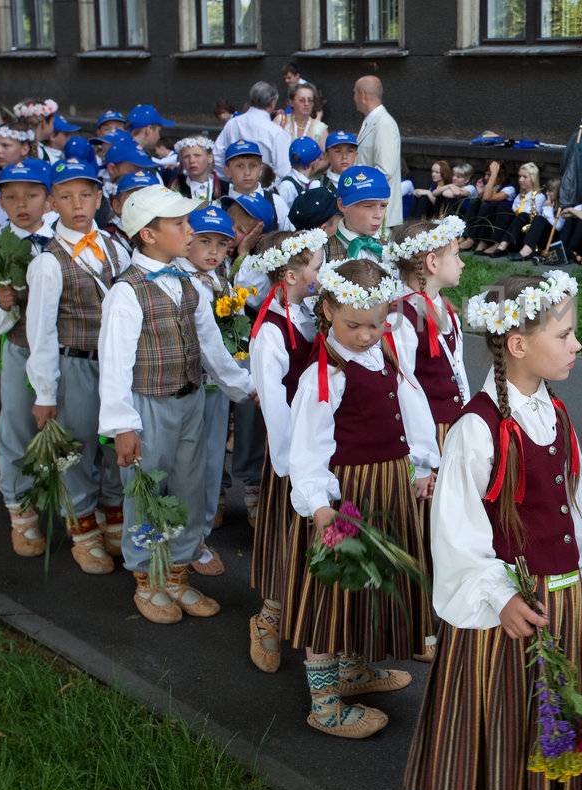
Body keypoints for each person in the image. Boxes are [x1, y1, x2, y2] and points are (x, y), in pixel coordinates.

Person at [404, 272, 582, 790]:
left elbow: (577, 500)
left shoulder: (555, 411)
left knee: (549, 719)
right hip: (507, 612)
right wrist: (499, 596)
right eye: (566, 335)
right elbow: (456, 532)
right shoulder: (478, 428)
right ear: (518, 344)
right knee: (498, 722)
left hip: (561, 599)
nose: (577, 347)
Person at [284, 259, 441, 738]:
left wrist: (420, 464)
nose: (367, 334)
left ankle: (351, 670)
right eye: (354, 325)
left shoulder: (385, 354)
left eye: (376, 323)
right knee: (331, 595)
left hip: (388, 487)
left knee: (364, 589)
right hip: (346, 498)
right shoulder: (323, 377)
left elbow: (411, 409)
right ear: (327, 310)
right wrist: (320, 505)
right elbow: (306, 452)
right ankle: (325, 703)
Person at [99, 186, 254, 624]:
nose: (190, 231)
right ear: (148, 235)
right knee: (148, 491)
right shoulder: (127, 292)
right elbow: (115, 363)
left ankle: (178, 573)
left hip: (189, 403)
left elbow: (211, 348)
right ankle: (148, 577)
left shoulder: (188, 284)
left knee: (189, 485)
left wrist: (244, 387)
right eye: (180, 225)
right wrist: (122, 425)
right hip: (147, 406)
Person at [26, 158, 131, 573]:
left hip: (114, 364)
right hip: (78, 363)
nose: (77, 205)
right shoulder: (49, 262)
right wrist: (46, 392)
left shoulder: (114, 247)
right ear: (52, 202)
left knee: (113, 441)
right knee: (79, 445)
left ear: (99, 198)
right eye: (66, 197)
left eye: (86, 195)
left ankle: (112, 514)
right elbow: (42, 332)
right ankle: (82, 528)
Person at [385, 215, 471, 663]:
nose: (463, 262)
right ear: (431, 260)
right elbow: (406, 385)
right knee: (420, 529)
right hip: (427, 431)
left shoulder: (441, 307)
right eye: (456, 254)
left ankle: (440, 609)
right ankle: (417, 625)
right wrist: (423, 455)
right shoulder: (403, 315)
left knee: (445, 524)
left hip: (451, 426)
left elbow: (456, 371)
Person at [241, 228, 326, 670]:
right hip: (293, 456)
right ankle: (269, 617)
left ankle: (305, 617)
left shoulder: (310, 312)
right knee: (287, 536)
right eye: (315, 265)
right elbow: (273, 404)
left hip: (320, 445)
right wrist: (290, 465)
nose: (320, 272)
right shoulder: (270, 331)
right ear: (292, 273)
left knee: (312, 539)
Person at [0, 159, 57, 556]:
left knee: (75, 426)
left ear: (48, 198)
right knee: (17, 426)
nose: (22, 204)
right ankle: (21, 511)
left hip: (69, 349)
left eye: (32, 195)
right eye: (11, 196)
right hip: (21, 349)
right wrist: (4, 306)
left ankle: (79, 509)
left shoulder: (67, 238)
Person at [180, 203, 241, 571]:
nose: (213, 252)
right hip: (192, 383)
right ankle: (189, 537)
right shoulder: (184, 281)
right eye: (204, 241)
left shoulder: (220, 277)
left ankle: (199, 530)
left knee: (212, 456)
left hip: (219, 385)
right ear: (186, 240)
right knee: (189, 462)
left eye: (221, 244)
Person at [353, 75, 404, 229]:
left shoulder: (384, 124)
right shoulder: (371, 121)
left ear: (362, 95)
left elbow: (385, 170)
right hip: (370, 211)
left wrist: (356, 187)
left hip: (379, 215)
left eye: (354, 93)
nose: (353, 98)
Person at [218, 82, 292, 182]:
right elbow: (284, 171)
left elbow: (218, 156)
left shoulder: (232, 123)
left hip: (235, 187)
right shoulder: (276, 132)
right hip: (265, 190)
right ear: (272, 102)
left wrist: (229, 179)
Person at [220, 139, 290, 231]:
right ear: (227, 171)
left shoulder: (276, 202)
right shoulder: (218, 204)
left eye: (253, 165)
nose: (247, 173)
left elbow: (289, 238)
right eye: (240, 166)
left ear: (261, 170)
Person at [326, 165, 390, 263]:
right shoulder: (324, 253)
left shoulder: (388, 249)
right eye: (368, 206)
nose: (378, 215)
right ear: (342, 205)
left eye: (383, 205)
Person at [168, 136, 225, 203]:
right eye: (186, 156)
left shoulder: (224, 188)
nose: (192, 160)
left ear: (210, 158)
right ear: (181, 161)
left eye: (197, 155)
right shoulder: (175, 187)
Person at [276, 137, 323, 211]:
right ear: (313, 163)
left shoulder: (308, 183)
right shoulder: (286, 187)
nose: (319, 162)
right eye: (318, 159)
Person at [277, 82, 328, 148]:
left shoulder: (320, 128)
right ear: (291, 102)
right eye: (301, 100)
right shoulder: (281, 120)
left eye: (310, 100)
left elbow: (325, 156)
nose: (306, 104)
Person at [127, 104, 177, 170]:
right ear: (149, 129)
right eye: (158, 131)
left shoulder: (126, 150)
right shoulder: (133, 157)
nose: (159, 136)